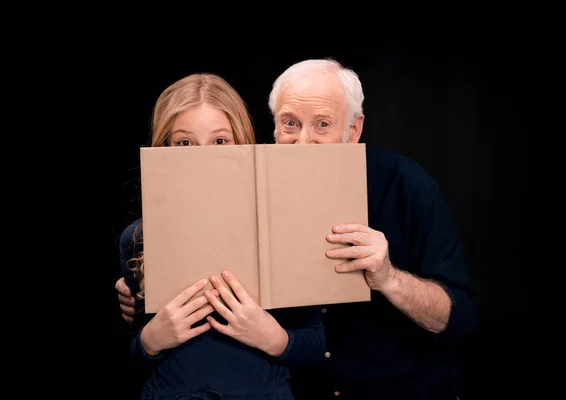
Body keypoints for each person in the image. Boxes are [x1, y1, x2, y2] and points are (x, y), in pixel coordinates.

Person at [117, 59, 478, 399]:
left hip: (391, 388)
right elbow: (141, 337)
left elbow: (460, 318)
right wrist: (142, 302)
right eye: (290, 123)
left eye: (322, 123)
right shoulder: (242, 203)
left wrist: (389, 278)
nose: (303, 140)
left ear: (354, 130)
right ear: (273, 128)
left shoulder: (407, 186)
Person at [117, 72, 326, 400]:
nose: (204, 156)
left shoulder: (284, 231)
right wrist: (150, 341)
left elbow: (316, 346)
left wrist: (272, 338)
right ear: (164, 149)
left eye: (219, 141)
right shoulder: (138, 238)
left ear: (241, 144)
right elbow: (133, 352)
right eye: (185, 142)